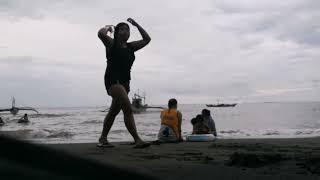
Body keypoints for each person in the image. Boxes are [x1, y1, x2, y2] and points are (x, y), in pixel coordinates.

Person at [97, 18, 151, 148]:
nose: (125, 31)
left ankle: (103, 138)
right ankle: (137, 139)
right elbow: (100, 33)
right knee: (127, 108)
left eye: (127, 30)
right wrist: (107, 27)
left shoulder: (131, 47)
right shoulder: (111, 43)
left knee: (113, 112)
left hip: (125, 83)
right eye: (122, 29)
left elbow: (147, 39)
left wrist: (137, 25)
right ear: (117, 32)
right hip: (113, 81)